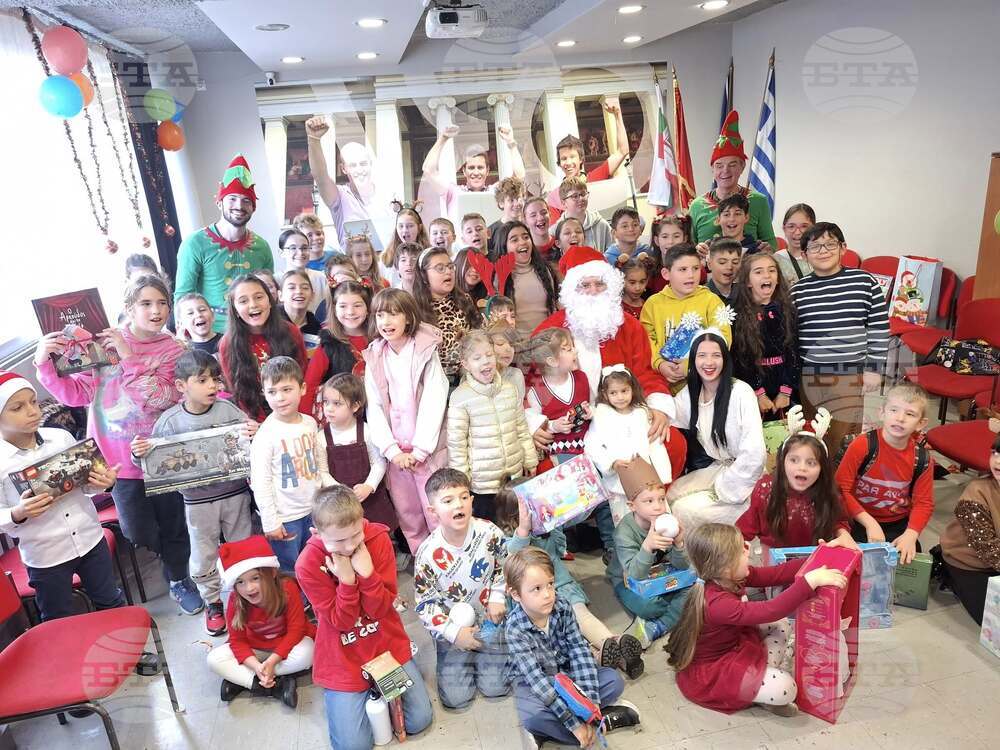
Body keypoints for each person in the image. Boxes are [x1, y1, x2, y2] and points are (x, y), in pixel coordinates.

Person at [35, 275, 201, 615]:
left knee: (173, 524)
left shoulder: (174, 349)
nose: (156, 311)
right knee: (136, 529)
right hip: (117, 461)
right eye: (146, 303)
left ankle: (179, 577)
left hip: (164, 454)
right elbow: (77, 393)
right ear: (129, 307)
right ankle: (174, 559)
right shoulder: (103, 344)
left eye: (162, 303)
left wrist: (129, 358)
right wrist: (44, 363)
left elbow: (162, 398)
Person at [295, 486, 433, 750]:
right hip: (343, 655)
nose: (349, 547)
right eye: (338, 541)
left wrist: (368, 575)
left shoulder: (378, 539)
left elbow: (381, 610)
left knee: (419, 720)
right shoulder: (307, 563)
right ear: (316, 533)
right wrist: (347, 582)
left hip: (384, 644)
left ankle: (382, 688)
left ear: (362, 522)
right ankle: (355, 697)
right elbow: (342, 622)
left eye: (356, 535)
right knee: (354, 746)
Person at [131, 350, 256, 636]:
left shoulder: (228, 410)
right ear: (181, 386)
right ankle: (213, 602)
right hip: (197, 502)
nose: (212, 385)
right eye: (202, 380)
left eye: (215, 379)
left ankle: (247, 598)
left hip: (235, 495)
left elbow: (250, 441)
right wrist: (139, 454)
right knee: (203, 554)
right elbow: (152, 461)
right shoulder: (170, 422)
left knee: (242, 547)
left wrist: (254, 431)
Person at [665, 523, 847, 716]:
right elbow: (772, 609)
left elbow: (776, 574)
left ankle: (760, 682)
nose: (748, 548)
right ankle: (761, 687)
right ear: (726, 567)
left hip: (735, 646)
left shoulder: (729, 577)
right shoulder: (717, 603)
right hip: (716, 672)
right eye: (741, 550)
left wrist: (816, 559)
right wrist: (810, 582)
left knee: (781, 625)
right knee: (787, 688)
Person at [533, 254, 686, 475]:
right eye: (585, 285)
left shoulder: (629, 326)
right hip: (571, 427)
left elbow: (645, 373)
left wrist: (658, 409)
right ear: (572, 290)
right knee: (548, 469)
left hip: (621, 415)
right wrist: (536, 422)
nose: (593, 291)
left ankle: (647, 497)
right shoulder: (550, 331)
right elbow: (533, 380)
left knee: (673, 444)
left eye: (600, 284)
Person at [0, 372, 123, 622]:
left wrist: (105, 482)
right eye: (17, 408)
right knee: (58, 619)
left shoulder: (60, 438)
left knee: (111, 602)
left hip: (90, 538)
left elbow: (85, 487)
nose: (32, 411)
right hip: (46, 556)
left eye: (33, 402)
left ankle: (127, 645)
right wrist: (18, 512)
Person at [495, 485, 645, 679]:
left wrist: (552, 524)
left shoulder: (548, 531)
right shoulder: (508, 541)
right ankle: (605, 654)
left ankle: (614, 645)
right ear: (513, 518)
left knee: (581, 617)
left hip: (561, 586)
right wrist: (524, 530)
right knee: (559, 635)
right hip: (533, 598)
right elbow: (512, 558)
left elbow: (560, 549)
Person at [505, 547, 641, 748]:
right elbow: (537, 681)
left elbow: (579, 651)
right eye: (537, 589)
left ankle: (557, 730)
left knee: (614, 681)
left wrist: (590, 702)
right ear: (516, 594)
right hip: (536, 684)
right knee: (533, 717)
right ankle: (598, 724)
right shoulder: (514, 629)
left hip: (567, 674)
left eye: (550, 584)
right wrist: (573, 723)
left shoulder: (562, 606)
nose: (548, 594)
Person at [412, 469, 510, 709]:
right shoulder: (427, 554)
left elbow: (505, 566)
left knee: (496, 688)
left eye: (464, 497)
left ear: (472, 500)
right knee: (457, 699)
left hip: (490, 621)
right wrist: (454, 633)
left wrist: (498, 596)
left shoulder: (490, 532)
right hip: (453, 628)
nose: (458, 504)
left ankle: (489, 652)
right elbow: (425, 604)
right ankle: (461, 653)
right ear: (432, 511)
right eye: (448, 501)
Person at [363, 289, 449, 554]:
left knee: (436, 508)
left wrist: (420, 449)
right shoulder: (375, 356)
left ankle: (447, 558)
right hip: (397, 455)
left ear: (409, 317)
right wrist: (392, 451)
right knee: (408, 512)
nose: (386, 322)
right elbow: (374, 407)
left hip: (427, 452)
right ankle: (422, 560)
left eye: (393, 314)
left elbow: (435, 398)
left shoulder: (424, 350)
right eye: (380, 315)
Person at [791, 222, 889, 453]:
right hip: (810, 374)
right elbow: (793, 335)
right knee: (812, 433)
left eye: (830, 244)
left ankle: (840, 474)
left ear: (843, 248)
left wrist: (874, 368)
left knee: (843, 436)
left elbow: (879, 327)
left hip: (849, 374)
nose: (823, 251)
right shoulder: (798, 290)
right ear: (804, 255)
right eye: (815, 247)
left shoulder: (864, 282)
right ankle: (816, 473)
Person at [667, 333, 766, 531]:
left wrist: (726, 489)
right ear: (693, 360)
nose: (709, 362)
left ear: (725, 359)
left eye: (716, 355)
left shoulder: (741, 392)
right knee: (669, 496)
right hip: (718, 468)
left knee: (684, 509)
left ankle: (716, 547)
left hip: (744, 477)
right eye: (702, 355)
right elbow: (668, 413)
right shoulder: (691, 393)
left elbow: (754, 454)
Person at [207, 535, 315, 707]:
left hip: (285, 645)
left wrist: (272, 661)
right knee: (214, 659)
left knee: (309, 652)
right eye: (240, 582)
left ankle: (244, 680)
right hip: (255, 649)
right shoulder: (236, 600)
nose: (249, 588)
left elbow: (296, 629)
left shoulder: (287, 588)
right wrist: (257, 666)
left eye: (255, 578)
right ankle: (274, 685)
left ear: (272, 573)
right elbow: (237, 641)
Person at [250, 356, 334, 572]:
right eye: (272, 392)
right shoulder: (265, 435)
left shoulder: (309, 423)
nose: (280, 398)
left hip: (315, 509)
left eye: (287, 389)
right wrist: (271, 521)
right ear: (264, 393)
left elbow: (319, 464)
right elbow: (261, 482)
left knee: (318, 562)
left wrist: (331, 490)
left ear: (302, 388)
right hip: (286, 518)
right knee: (291, 569)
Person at [835, 383, 934, 565]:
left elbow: (924, 503)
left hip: (896, 523)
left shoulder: (922, 458)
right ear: (882, 412)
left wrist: (911, 534)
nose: (900, 418)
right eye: (894, 410)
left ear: (921, 423)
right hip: (857, 518)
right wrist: (869, 522)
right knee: (849, 559)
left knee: (906, 559)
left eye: (910, 414)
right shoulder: (862, 445)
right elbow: (841, 490)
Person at [175, 155, 274, 333]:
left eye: (246, 200)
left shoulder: (262, 247)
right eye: (232, 198)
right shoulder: (194, 243)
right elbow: (183, 296)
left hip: (254, 332)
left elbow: (269, 294)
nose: (239, 205)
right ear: (219, 202)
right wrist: (183, 334)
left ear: (253, 207)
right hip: (210, 334)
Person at [447, 332, 537, 520]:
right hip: (482, 484)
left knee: (516, 523)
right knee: (490, 528)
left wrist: (530, 460)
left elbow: (521, 428)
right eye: (477, 358)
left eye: (489, 355)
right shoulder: (460, 397)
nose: (486, 361)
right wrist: (462, 480)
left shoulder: (509, 390)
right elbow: (457, 444)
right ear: (465, 364)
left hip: (513, 476)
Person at [606, 458, 690, 650]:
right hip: (627, 580)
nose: (658, 506)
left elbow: (681, 566)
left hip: (660, 575)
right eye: (649, 501)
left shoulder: (666, 521)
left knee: (695, 588)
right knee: (650, 607)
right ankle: (673, 616)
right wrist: (647, 546)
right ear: (632, 505)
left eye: (661, 499)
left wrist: (679, 544)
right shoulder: (624, 532)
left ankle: (657, 626)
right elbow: (634, 575)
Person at [737, 430, 854, 551]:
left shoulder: (829, 492)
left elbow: (839, 521)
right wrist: (733, 549)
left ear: (822, 468)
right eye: (794, 460)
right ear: (782, 461)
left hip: (817, 557)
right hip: (775, 559)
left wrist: (843, 534)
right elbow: (745, 528)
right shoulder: (766, 490)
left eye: (811, 463)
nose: (802, 468)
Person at [584, 366, 671, 526]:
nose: (620, 397)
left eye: (624, 391)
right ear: (605, 394)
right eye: (613, 393)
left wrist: (660, 470)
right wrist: (611, 463)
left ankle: (661, 537)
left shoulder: (641, 412)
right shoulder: (602, 415)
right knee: (626, 522)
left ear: (632, 389)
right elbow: (591, 445)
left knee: (657, 517)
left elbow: (654, 443)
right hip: (620, 479)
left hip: (647, 478)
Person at [640, 244, 732, 395]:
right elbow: (646, 340)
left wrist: (692, 364)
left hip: (704, 383)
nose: (691, 275)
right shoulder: (653, 304)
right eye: (683, 269)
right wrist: (659, 363)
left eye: (695, 268)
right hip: (663, 385)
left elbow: (723, 338)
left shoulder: (711, 301)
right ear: (666, 273)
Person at [218, 275, 307, 421]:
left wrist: (293, 417)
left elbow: (302, 377)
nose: (253, 305)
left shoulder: (291, 331)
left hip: (293, 408)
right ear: (235, 310)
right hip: (254, 414)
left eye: (259, 297)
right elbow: (239, 392)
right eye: (243, 301)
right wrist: (262, 424)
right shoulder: (228, 343)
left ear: (270, 301)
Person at [686, 113, 776, 250]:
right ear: (712, 169)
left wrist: (768, 248)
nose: (725, 171)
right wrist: (696, 251)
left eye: (732, 165)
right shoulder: (697, 206)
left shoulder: (759, 201)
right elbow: (687, 247)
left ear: (742, 167)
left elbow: (771, 243)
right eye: (719, 166)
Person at [321, 373, 397, 531]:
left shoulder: (367, 431)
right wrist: (340, 490)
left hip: (371, 499)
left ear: (355, 406)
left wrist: (369, 486)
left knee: (377, 533)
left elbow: (378, 462)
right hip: (340, 502)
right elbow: (322, 471)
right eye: (326, 402)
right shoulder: (321, 437)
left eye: (337, 403)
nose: (329, 408)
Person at [304, 116, 394, 249]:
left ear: (370, 164)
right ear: (344, 169)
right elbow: (320, 176)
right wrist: (314, 139)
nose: (359, 170)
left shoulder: (386, 196)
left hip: (385, 261)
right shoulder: (340, 196)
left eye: (363, 164)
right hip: (351, 261)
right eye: (353, 165)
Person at [939, 434, 1000, 625]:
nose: (997, 461)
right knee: (994, 620)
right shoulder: (976, 494)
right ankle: (948, 573)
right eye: (995, 453)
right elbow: (988, 549)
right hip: (971, 564)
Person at [729, 252, 799, 419]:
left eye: (771, 270)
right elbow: (740, 359)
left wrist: (785, 391)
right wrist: (758, 393)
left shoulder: (787, 310)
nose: (766, 275)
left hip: (785, 384)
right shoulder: (737, 315)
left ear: (778, 278)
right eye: (759, 271)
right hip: (753, 384)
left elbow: (794, 353)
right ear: (747, 281)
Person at [421, 124, 526, 222]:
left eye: (480, 167)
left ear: (487, 170)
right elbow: (428, 170)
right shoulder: (453, 191)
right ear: (464, 171)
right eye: (471, 168)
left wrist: (511, 143)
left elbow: (519, 176)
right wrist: (443, 138)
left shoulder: (496, 191)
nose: (476, 172)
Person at [412, 247, 482, 385]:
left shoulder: (464, 299)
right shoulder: (414, 310)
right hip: (435, 382)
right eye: (440, 268)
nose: (448, 271)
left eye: (450, 267)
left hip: (469, 376)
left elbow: (478, 334)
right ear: (424, 276)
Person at [546, 104, 629, 219]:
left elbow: (623, 151)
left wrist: (618, 115)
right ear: (559, 163)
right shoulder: (554, 197)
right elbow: (555, 229)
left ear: (581, 159)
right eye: (564, 159)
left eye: (572, 157)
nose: (568, 162)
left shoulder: (594, 179)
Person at [303, 281, 372, 420]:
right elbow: (310, 384)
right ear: (334, 309)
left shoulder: (379, 339)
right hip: (342, 419)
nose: (350, 312)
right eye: (343, 306)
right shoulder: (329, 343)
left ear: (368, 308)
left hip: (378, 415)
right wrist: (305, 421)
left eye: (357, 305)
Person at [524, 328, 593, 464]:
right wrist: (554, 426)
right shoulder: (537, 391)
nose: (576, 351)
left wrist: (590, 412)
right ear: (552, 361)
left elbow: (593, 405)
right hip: (563, 451)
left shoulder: (581, 378)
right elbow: (536, 424)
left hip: (590, 443)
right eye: (569, 349)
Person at [498, 221, 560, 335]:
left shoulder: (545, 269)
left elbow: (554, 307)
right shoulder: (499, 277)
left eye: (526, 237)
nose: (522, 242)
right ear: (504, 246)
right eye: (514, 240)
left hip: (548, 339)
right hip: (517, 343)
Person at [278, 228, 329, 316]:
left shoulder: (320, 278)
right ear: (281, 252)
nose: (300, 253)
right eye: (293, 248)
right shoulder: (276, 280)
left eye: (304, 248)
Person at [553, 177, 613, 252]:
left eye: (583, 194)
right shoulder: (555, 230)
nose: (581, 199)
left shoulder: (602, 225)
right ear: (563, 202)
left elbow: (614, 252)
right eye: (575, 196)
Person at [695, 193, 756, 259]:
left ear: (746, 218)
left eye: (737, 214)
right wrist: (697, 255)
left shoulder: (757, 250)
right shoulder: (708, 249)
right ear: (718, 220)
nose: (732, 219)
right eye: (726, 214)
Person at [278, 270, 323, 357]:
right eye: (292, 288)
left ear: (312, 296)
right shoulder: (270, 322)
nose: (299, 291)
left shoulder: (317, 328)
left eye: (305, 288)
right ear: (280, 295)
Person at [382, 206, 429, 288]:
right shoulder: (387, 256)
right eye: (401, 226)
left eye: (410, 226)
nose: (405, 230)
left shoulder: (429, 254)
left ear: (419, 228)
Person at [649, 215, 693, 296]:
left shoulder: (694, 268)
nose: (670, 241)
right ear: (657, 240)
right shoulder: (650, 271)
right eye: (665, 237)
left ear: (684, 239)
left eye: (676, 236)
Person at [774, 203, 816, 285]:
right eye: (791, 226)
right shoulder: (776, 260)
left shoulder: (821, 258)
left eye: (804, 226)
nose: (797, 232)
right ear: (784, 229)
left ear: (813, 228)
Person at [487, 177, 527, 259]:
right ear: (501, 203)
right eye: (511, 200)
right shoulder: (491, 232)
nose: (516, 204)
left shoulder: (530, 226)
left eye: (519, 198)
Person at [486, 318, 525, 402]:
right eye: (500, 344)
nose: (508, 349)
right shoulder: (474, 376)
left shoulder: (516, 375)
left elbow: (518, 407)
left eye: (512, 344)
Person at [704, 238, 741, 304]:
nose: (729, 267)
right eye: (722, 262)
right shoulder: (701, 295)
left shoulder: (746, 293)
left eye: (735, 262)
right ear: (709, 264)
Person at [524, 197, 559, 265]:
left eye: (544, 213)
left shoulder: (561, 244)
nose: (540, 218)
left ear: (550, 215)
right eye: (533, 215)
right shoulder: (525, 252)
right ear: (525, 221)